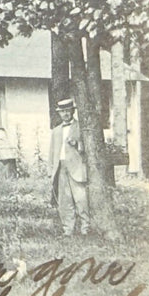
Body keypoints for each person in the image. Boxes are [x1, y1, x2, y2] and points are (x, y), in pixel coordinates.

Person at [49, 98, 90, 235]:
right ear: (59, 114)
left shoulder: (80, 127)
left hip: (76, 167)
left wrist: (77, 144)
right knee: (64, 200)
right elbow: (52, 152)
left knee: (81, 199)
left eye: (68, 110)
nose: (65, 114)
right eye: (62, 112)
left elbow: (88, 148)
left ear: (73, 111)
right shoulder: (56, 130)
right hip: (61, 167)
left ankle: (85, 228)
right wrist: (51, 169)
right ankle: (68, 230)